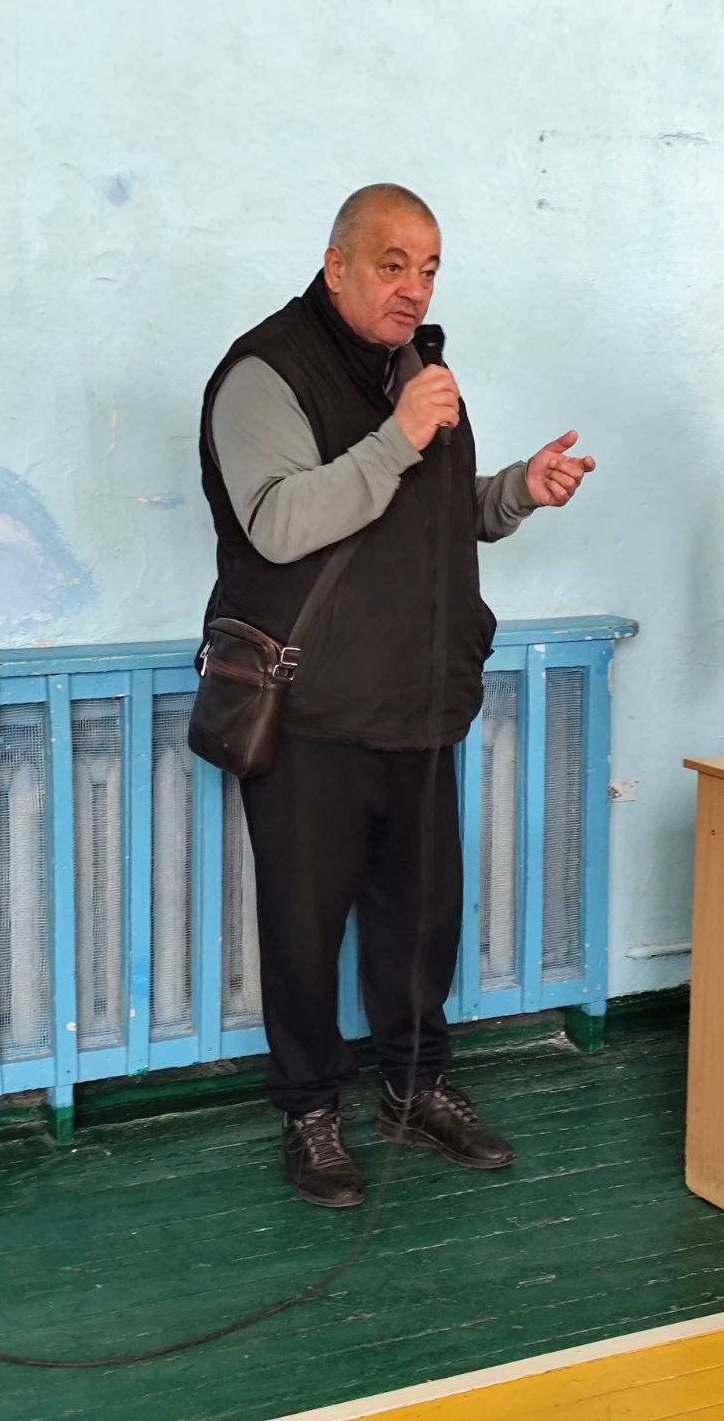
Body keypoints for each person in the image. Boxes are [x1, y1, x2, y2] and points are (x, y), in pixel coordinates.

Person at [196, 183, 595, 1208]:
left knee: (420, 921)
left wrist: (517, 491)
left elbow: (437, 517)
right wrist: (398, 437)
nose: (413, 288)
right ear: (335, 264)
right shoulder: (262, 373)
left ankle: (415, 1090)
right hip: (310, 713)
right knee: (302, 929)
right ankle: (309, 1111)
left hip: (420, 701)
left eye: (429, 269)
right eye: (391, 264)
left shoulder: (420, 373)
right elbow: (280, 522)